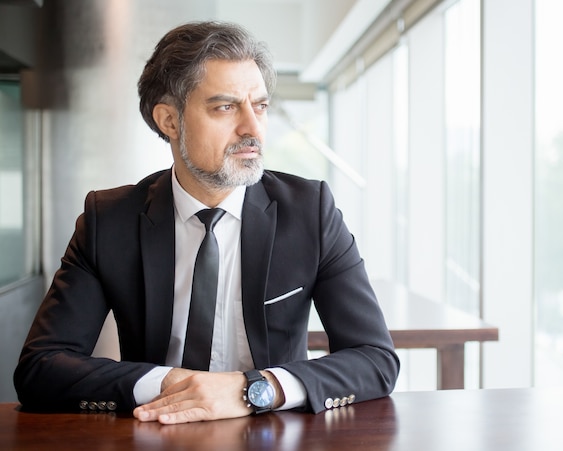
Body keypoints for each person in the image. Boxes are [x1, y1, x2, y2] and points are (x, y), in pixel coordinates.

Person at [13, 21, 399, 424]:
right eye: (226, 107)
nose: (253, 128)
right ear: (170, 120)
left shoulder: (310, 211)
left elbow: (375, 359)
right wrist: (174, 386)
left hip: (275, 433)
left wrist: (252, 389)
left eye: (260, 106)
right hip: (157, 431)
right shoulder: (109, 221)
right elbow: (42, 367)